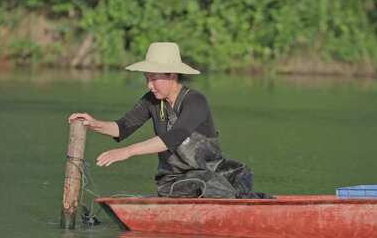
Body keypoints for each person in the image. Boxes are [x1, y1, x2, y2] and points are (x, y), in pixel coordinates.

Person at [69, 42, 267, 199]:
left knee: (241, 174)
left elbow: (175, 136)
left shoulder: (195, 101)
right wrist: (94, 123)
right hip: (175, 180)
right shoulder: (150, 101)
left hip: (211, 171)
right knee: (208, 183)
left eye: (154, 79)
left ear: (172, 75)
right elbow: (122, 128)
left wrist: (128, 151)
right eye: (147, 78)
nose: (150, 85)